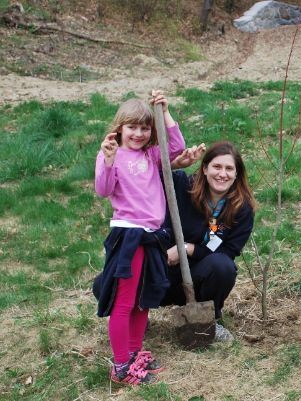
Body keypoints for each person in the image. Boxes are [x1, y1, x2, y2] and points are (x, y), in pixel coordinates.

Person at [94, 90, 185, 385]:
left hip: (153, 237)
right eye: (132, 127)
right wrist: (108, 160)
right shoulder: (111, 155)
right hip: (129, 236)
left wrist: (165, 111)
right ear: (119, 128)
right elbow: (103, 190)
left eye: (145, 128)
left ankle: (134, 354)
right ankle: (121, 366)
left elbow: (176, 148)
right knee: (124, 302)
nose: (138, 133)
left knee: (143, 300)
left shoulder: (151, 155)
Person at [160, 141, 257, 342]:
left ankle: (209, 319)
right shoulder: (181, 186)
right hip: (164, 271)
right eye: (217, 166)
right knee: (106, 285)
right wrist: (174, 164)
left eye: (229, 168)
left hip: (200, 278)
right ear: (205, 169)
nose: (222, 174)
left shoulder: (241, 209)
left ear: (237, 173)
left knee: (223, 266)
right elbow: (148, 177)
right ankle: (135, 315)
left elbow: (228, 253)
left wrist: (187, 249)